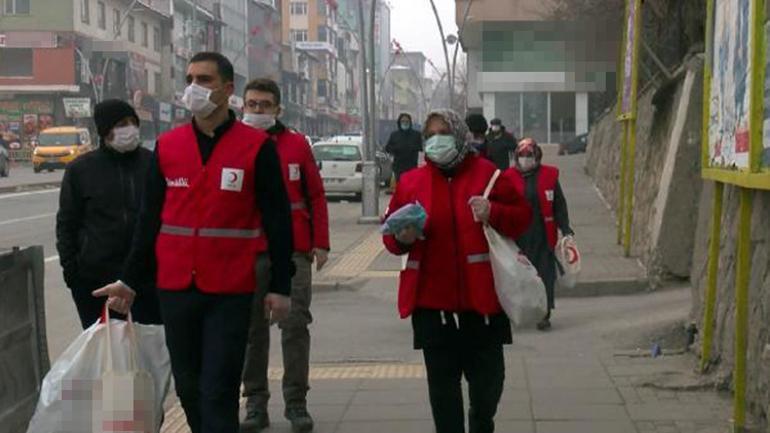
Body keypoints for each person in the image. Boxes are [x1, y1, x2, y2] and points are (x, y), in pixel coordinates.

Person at [93, 52, 295, 433]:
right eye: (190, 78)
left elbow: (278, 221)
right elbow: (148, 220)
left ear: (227, 89)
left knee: (218, 387)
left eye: (204, 79)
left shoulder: (256, 148)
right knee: (188, 388)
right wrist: (130, 280)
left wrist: (281, 286)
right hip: (175, 289)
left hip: (231, 290)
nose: (194, 87)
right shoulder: (169, 147)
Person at [382, 109, 532, 433]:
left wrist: (494, 211)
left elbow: (522, 218)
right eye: (430, 135)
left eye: (444, 132)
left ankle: (481, 422)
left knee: (488, 388)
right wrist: (401, 238)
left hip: (484, 307)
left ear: (461, 135)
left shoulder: (489, 175)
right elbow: (390, 237)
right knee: (443, 395)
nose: (437, 140)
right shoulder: (411, 182)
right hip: (432, 309)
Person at [240, 78, 330, 433]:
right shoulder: (235, 144)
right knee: (252, 331)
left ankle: (296, 404)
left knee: (295, 328)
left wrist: (320, 242)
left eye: (265, 105)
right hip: (248, 249)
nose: (258, 111)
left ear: (278, 108)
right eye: (252, 104)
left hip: (294, 251)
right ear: (242, 106)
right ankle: (255, 406)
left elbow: (317, 196)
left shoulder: (296, 145)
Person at [56, 99, 162, 328]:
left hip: (146, 280)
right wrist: (73, 274)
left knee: (148, 353)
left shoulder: (153, 163)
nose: (130, 129)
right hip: (94, 282)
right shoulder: (81, 169)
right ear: (105, 130)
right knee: (103, 355)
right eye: (122, 124)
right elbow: (67, 224)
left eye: (133, 122)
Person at [509, 138, 574, 331]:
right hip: (519, 236)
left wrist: (565, 228)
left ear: (537, 156)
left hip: (543, 234)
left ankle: (545, 313)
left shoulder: (549, 176)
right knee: (521, 276)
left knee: (545, 274)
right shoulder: (508, 177)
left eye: (529, 155)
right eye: (522, 155)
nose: (526, 159)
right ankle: (522, 311)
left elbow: (559, 206)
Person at [385, 113, 423, 181]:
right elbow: (387, 148)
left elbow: (421, 150)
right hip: (399, 168)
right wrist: (395, 149)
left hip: (412, 168)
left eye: (407, 121)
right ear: (399, 122)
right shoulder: (394, 135)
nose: (405, 123)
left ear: (410, 122)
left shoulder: (416, 135)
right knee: (401, 187)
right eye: (403, 121)